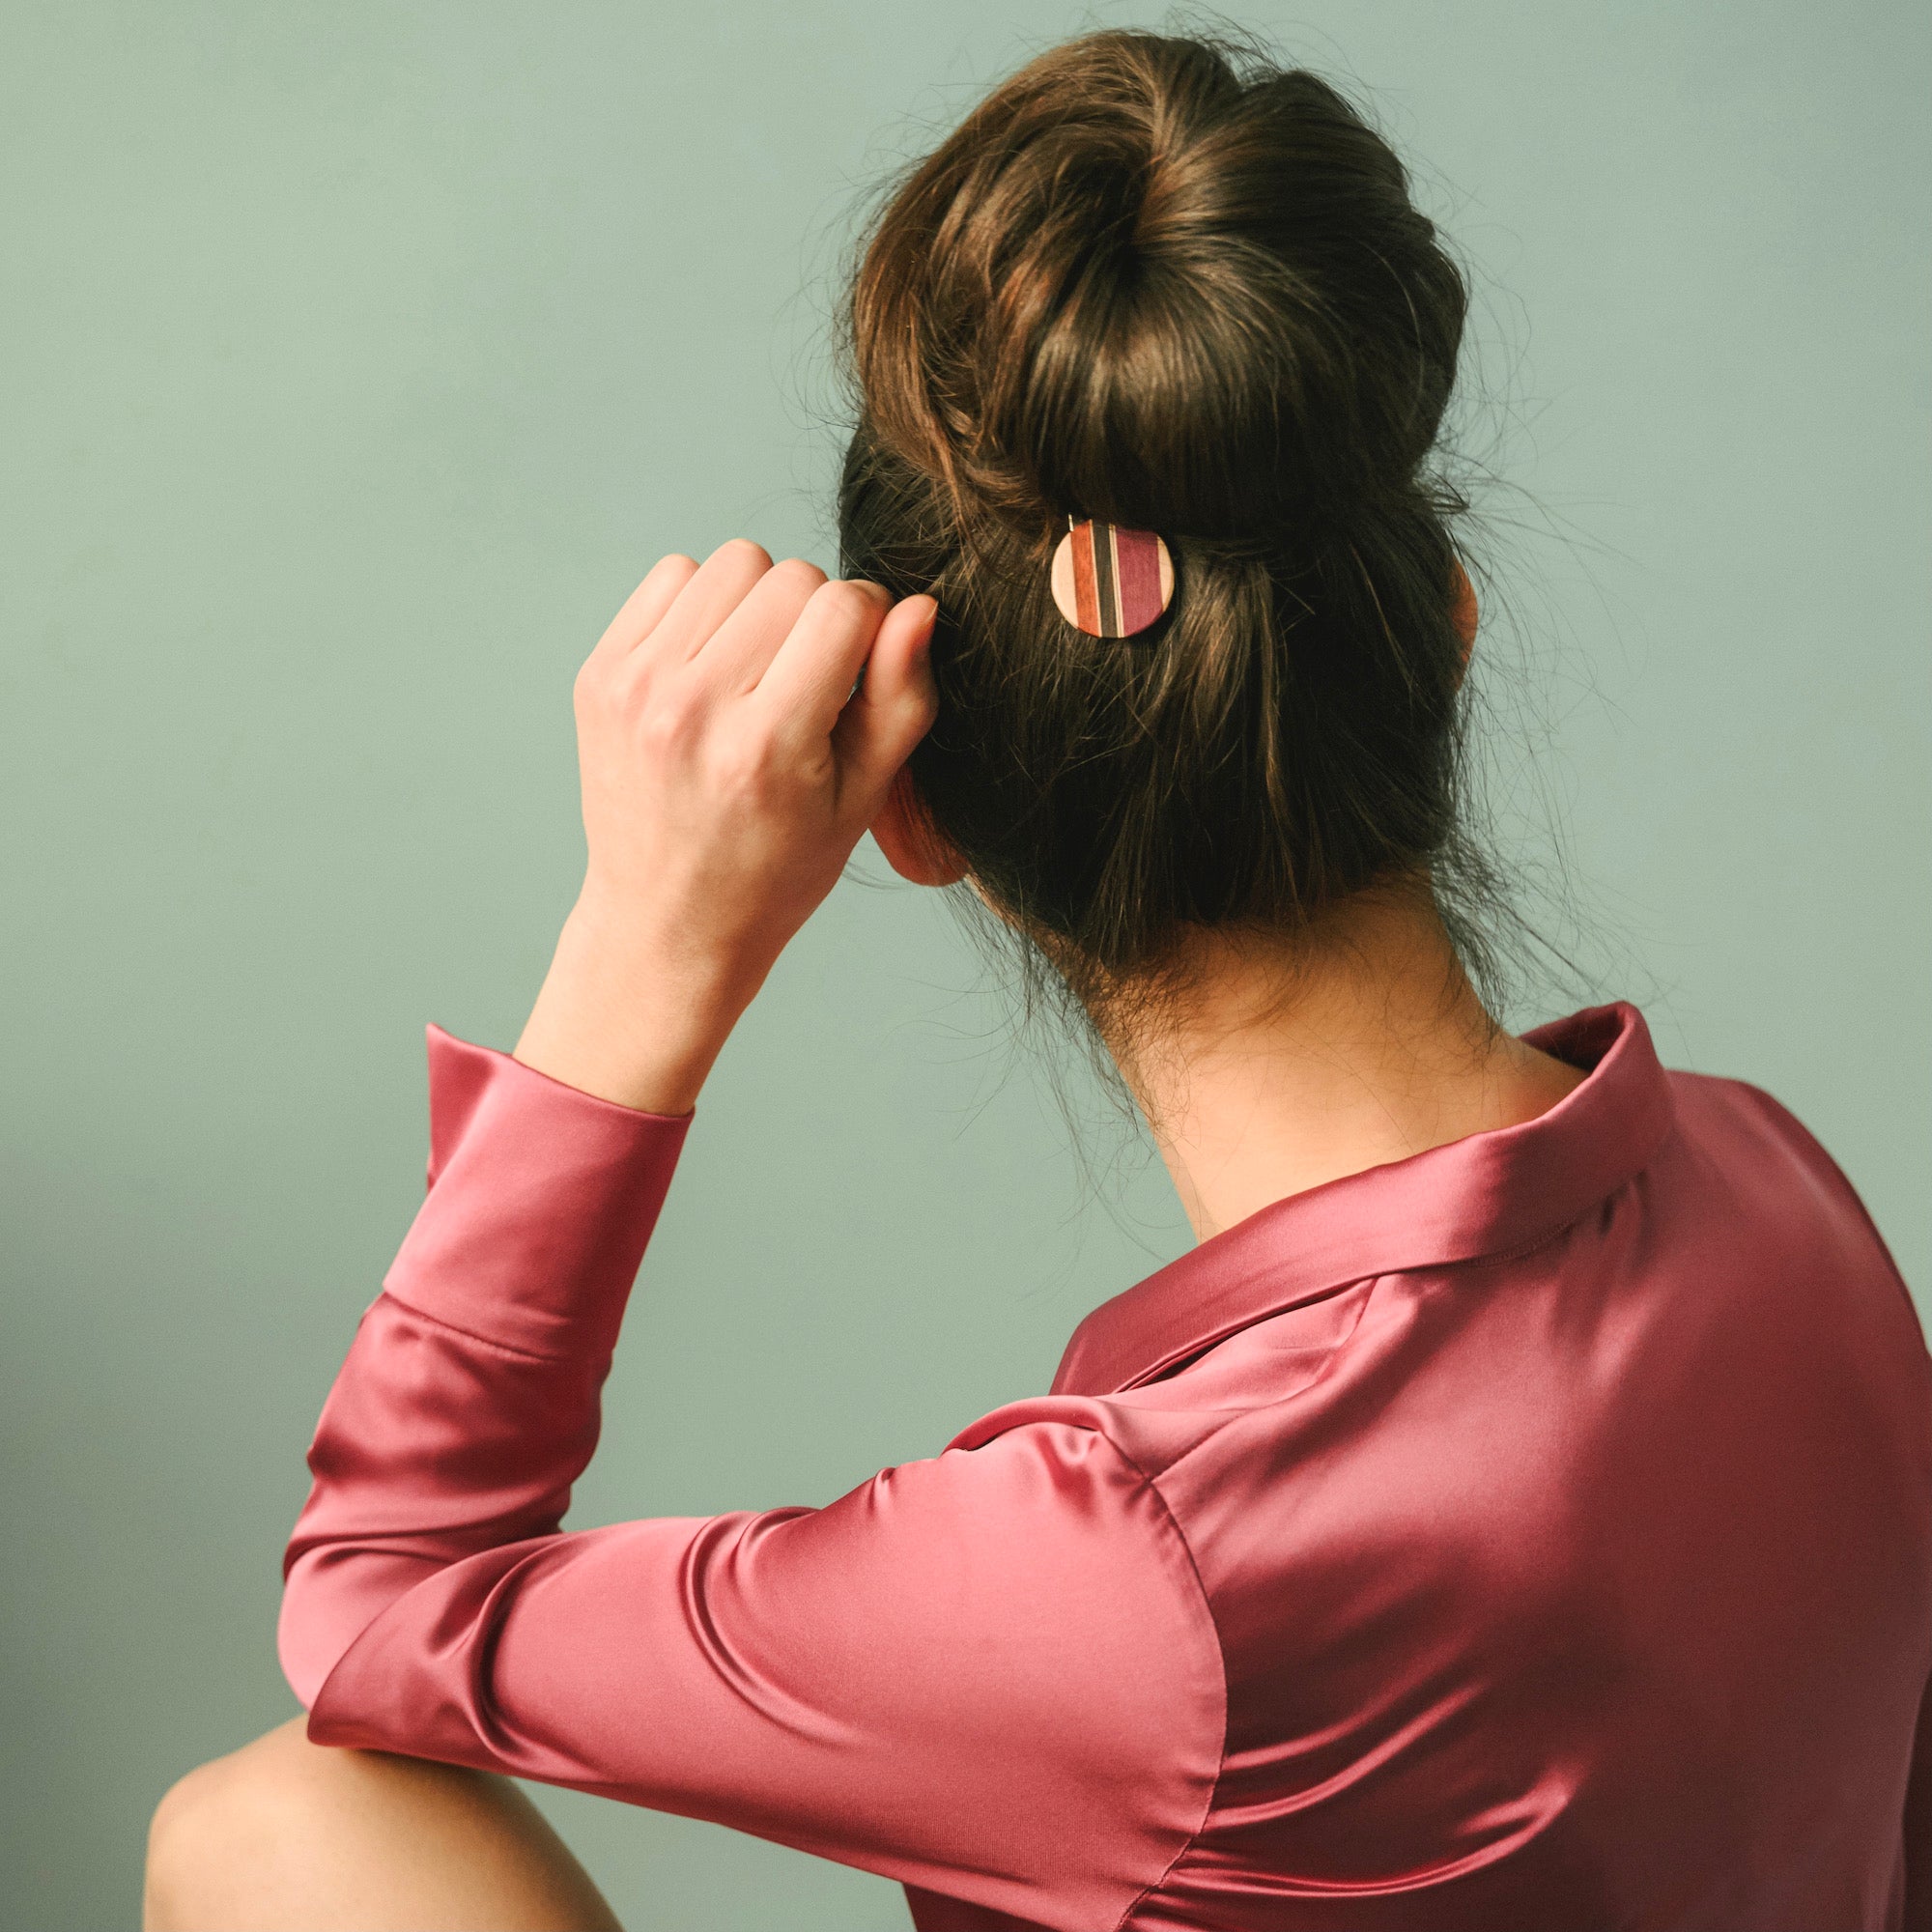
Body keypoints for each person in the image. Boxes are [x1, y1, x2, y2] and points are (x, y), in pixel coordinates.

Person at [143, 27, 1930, 1932]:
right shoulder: (1777, 1190)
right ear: (1446, 643)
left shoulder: (1143, 1577)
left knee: (279, 1833)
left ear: (908, 802)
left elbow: (381, 1609)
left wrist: (646, 949)